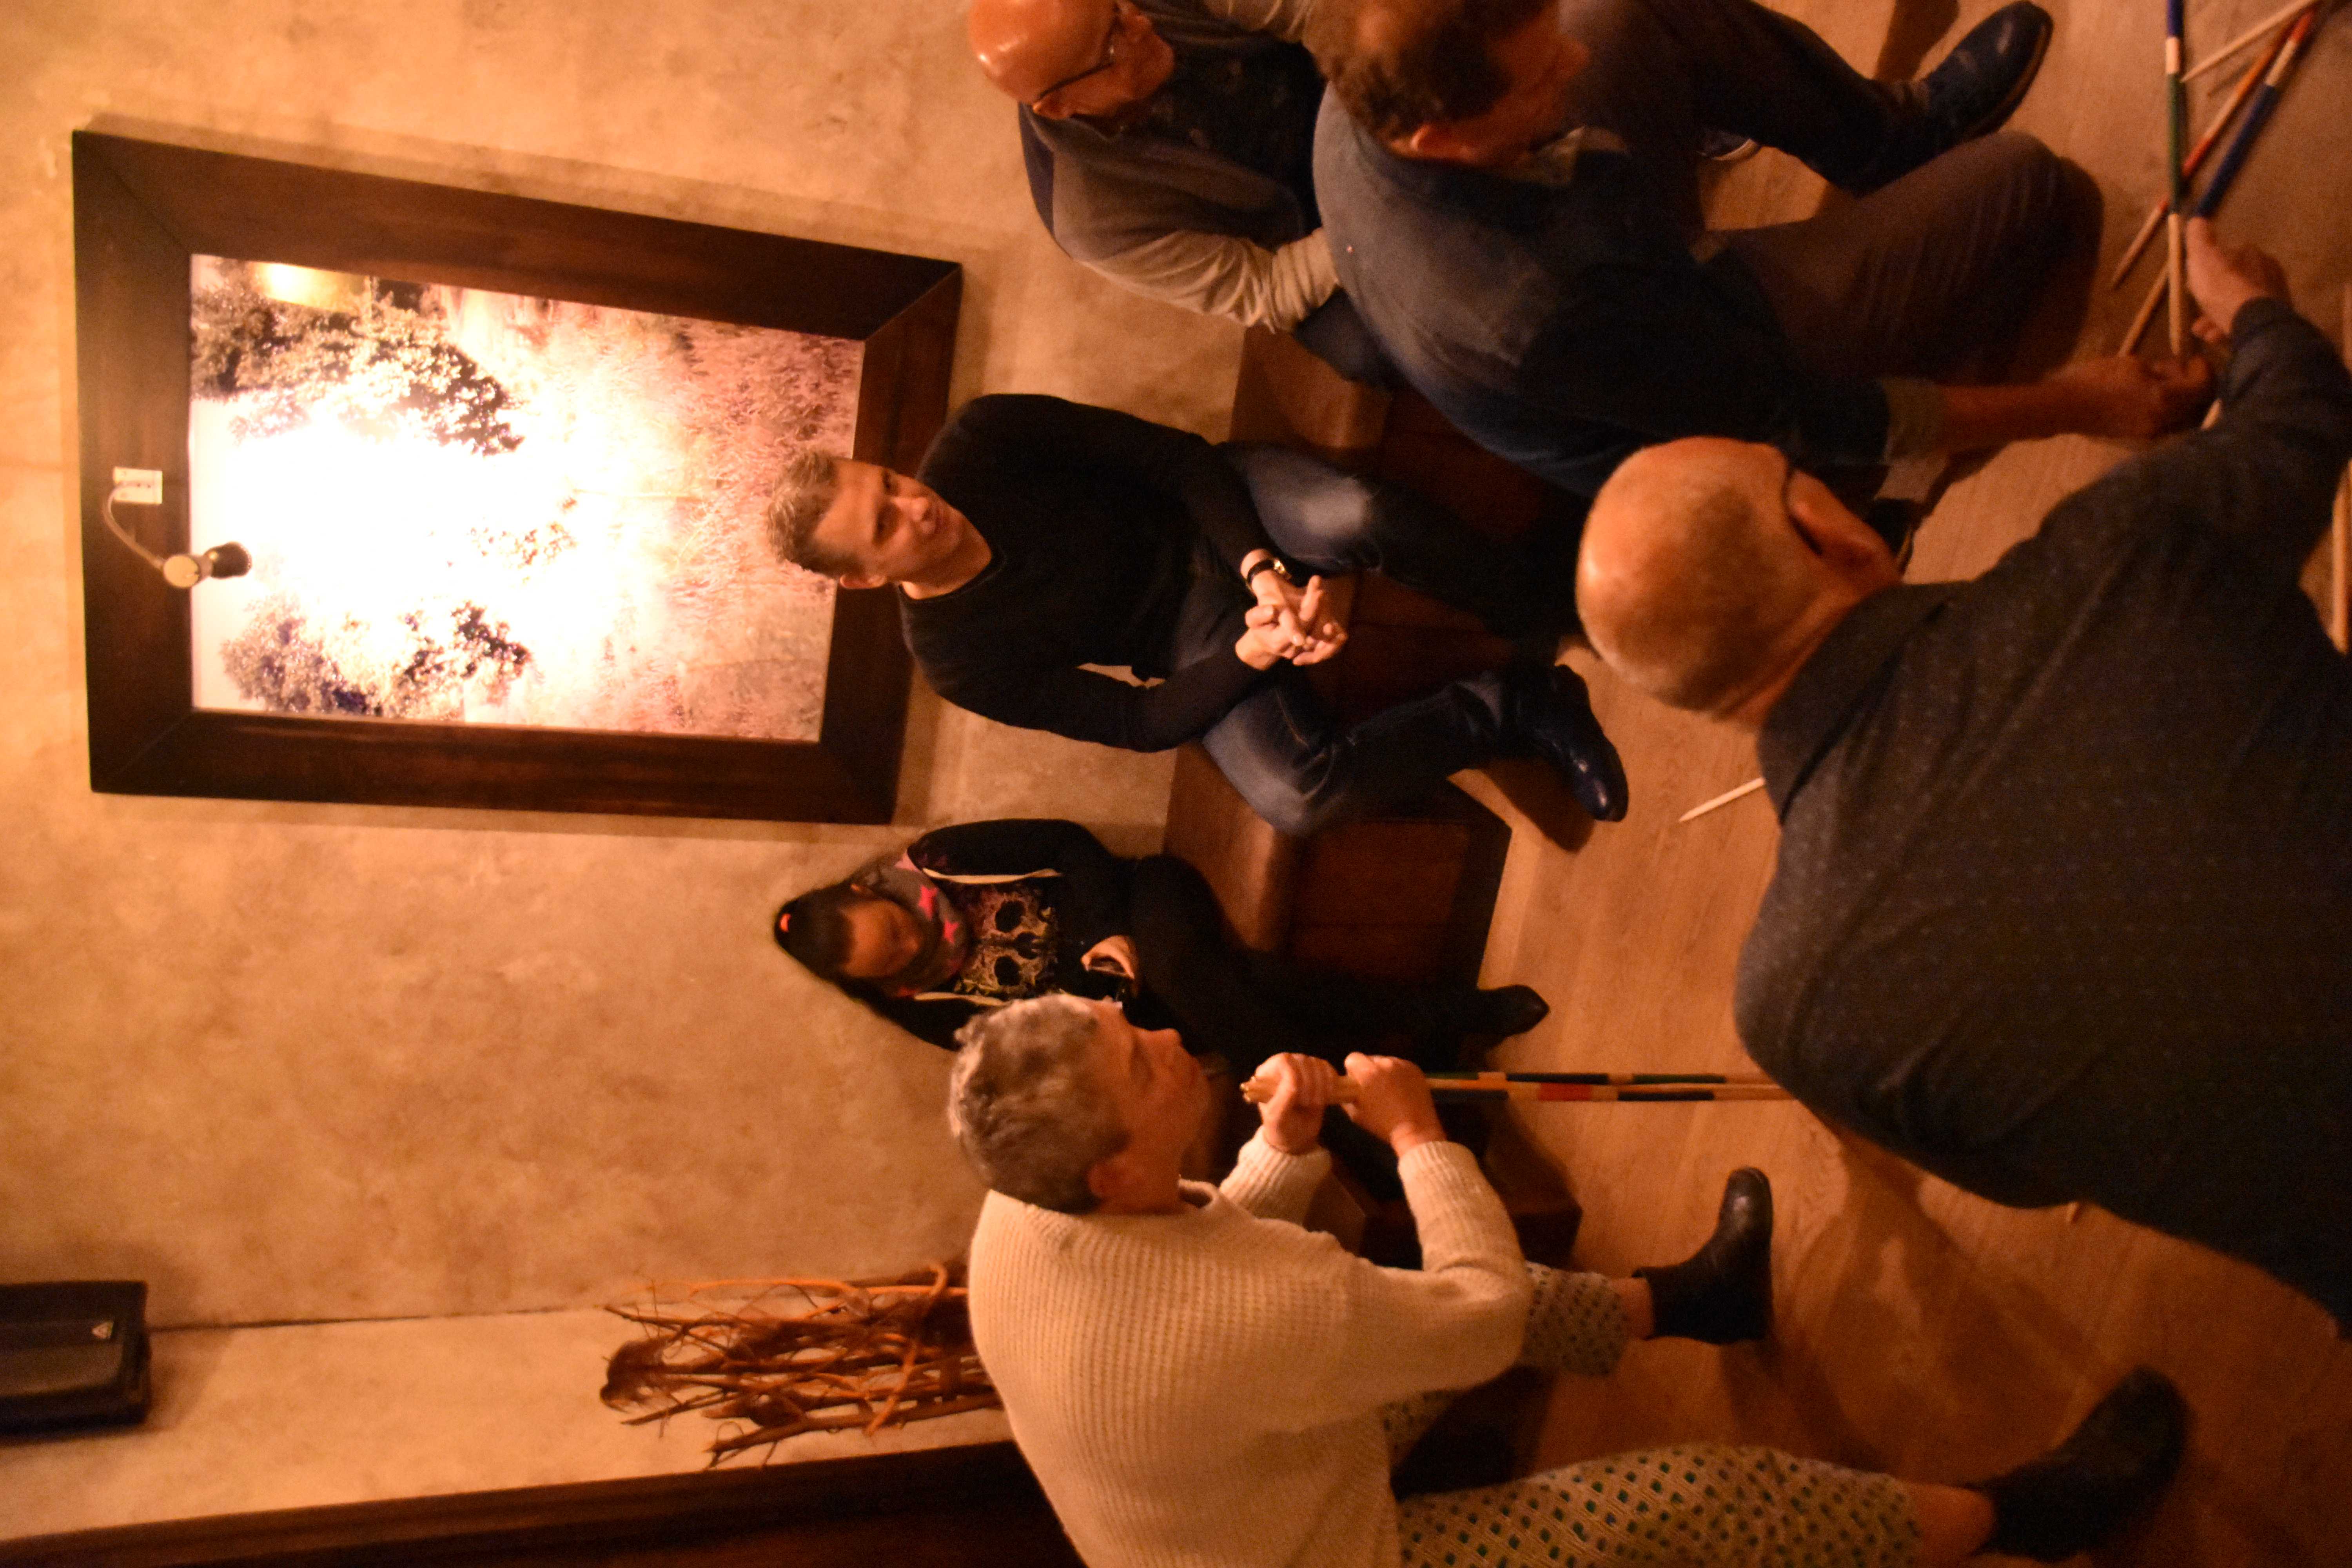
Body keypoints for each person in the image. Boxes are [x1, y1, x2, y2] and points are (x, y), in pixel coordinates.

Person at [1575, 219, 2352, 1330]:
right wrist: (2256, 310)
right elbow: (2305, 412)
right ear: (1830, 530)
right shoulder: (2117, 553)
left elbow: (2030, 1176)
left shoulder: (1794, 1009)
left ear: (1698, 700)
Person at [953, 993, 2189, 1566]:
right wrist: (1417, 1135)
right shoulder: (1252, 1311)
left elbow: (1202, 1244)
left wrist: (1279, 1148)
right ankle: (2017, 1520)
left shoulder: (1027, 1202)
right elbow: (1480, 1317)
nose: (1167, 1033)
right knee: (1688, 1500)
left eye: (1121, 1017)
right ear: (1114, 1170)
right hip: (1317, 1553)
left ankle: (1695, 1302)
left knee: (1429, 1303)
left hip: (1243, 1473)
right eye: (1141, 1059)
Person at [1307, 0, 2213, 526]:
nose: (1571, 63)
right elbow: (1787, 412)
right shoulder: (1537, 313)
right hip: (1696, 386)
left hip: (1614, 253)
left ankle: (1893, 139)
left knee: (1627, 14)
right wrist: (2077, 405)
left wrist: (1556, 94)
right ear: (1440, 137)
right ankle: (1841, 495)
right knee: (2024, 180)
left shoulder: (1367, 92)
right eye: (1542, 77)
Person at [764, 392, 1627, 835]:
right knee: (1293, 795)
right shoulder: (955, 659)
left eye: (889, 482)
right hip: (1189, 634)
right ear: (863, 580)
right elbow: (1136, 721)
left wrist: (1259, 567)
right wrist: (1254, 651)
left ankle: (1540, 597)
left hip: (1216, 510)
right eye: (885, 525)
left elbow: (1178, 460)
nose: (917, 505)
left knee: (1353, 515)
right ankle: (1517, 707)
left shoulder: (982, 439)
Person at [773, 815, 1548, 1065]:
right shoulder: (916, 1004)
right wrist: (1091, 1006)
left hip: (1142, 901)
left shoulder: (939, 858)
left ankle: (1353, 1103)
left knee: (1181, 968)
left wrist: (1102, 931)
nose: (910, 945)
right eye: (892, 959)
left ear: (866, 891)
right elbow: (1016, 1049)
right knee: (1237, 987)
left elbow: (1070, 844)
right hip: (1126, 1010)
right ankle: (1445, 1017)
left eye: (895, 928)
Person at [969, 0, 1393, 380]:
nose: (1141, 24)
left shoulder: (1136, 16)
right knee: (1363, 348)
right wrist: (1371, 219)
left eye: (1118, 8)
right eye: (1113, 44)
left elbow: (1314, 11)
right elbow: (1267, 288)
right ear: (1060, 106)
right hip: (1299, 230)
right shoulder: (1089, 221)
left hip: (1330, 83)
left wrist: (1385, 97)